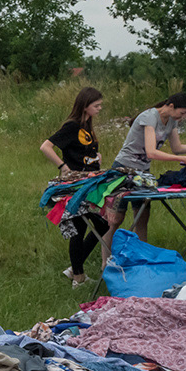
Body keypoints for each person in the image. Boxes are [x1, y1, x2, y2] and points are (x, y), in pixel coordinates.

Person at [98, 92, 186, 261]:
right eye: (182, 113)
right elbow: (151, 152)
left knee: (142, 218)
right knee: (115, 220)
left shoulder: (172, 121)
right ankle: (105, 263)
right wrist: (181, 159)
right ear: (171, 106)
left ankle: (142, 259)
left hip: (142, 174)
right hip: (123, 171)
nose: (183, 117)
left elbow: (177, 148)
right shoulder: (149, 117)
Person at [40, 87, 107, 286]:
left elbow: (83, 152)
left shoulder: (87, 126)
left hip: (90, 182)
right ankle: (78, 277)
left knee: (102, 225)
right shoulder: (72, 126)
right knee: (79, 227)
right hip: (76, 185)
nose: (100, 108)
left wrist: (96, 158)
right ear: (85, 106)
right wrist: (63, 167)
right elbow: (45, 147)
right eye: (96, 105)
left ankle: (74, 269)